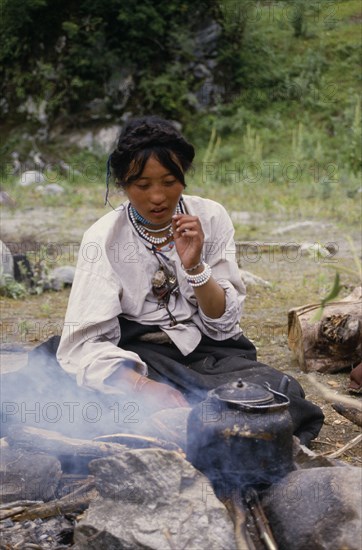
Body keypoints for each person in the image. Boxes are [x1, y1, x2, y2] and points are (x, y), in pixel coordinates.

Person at [55, 115, 324, 446]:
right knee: (76, 394)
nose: (158, 197)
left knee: (277, 393)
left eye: (169, 182)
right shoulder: (103, 238)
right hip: (135, 354)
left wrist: (195, 265)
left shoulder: (210, 217)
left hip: (206, 353)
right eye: (143, 186)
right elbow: (85, 343)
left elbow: (222, 321)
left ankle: (184, 427)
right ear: (123, 185)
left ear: (184, 177)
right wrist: (144, 388)